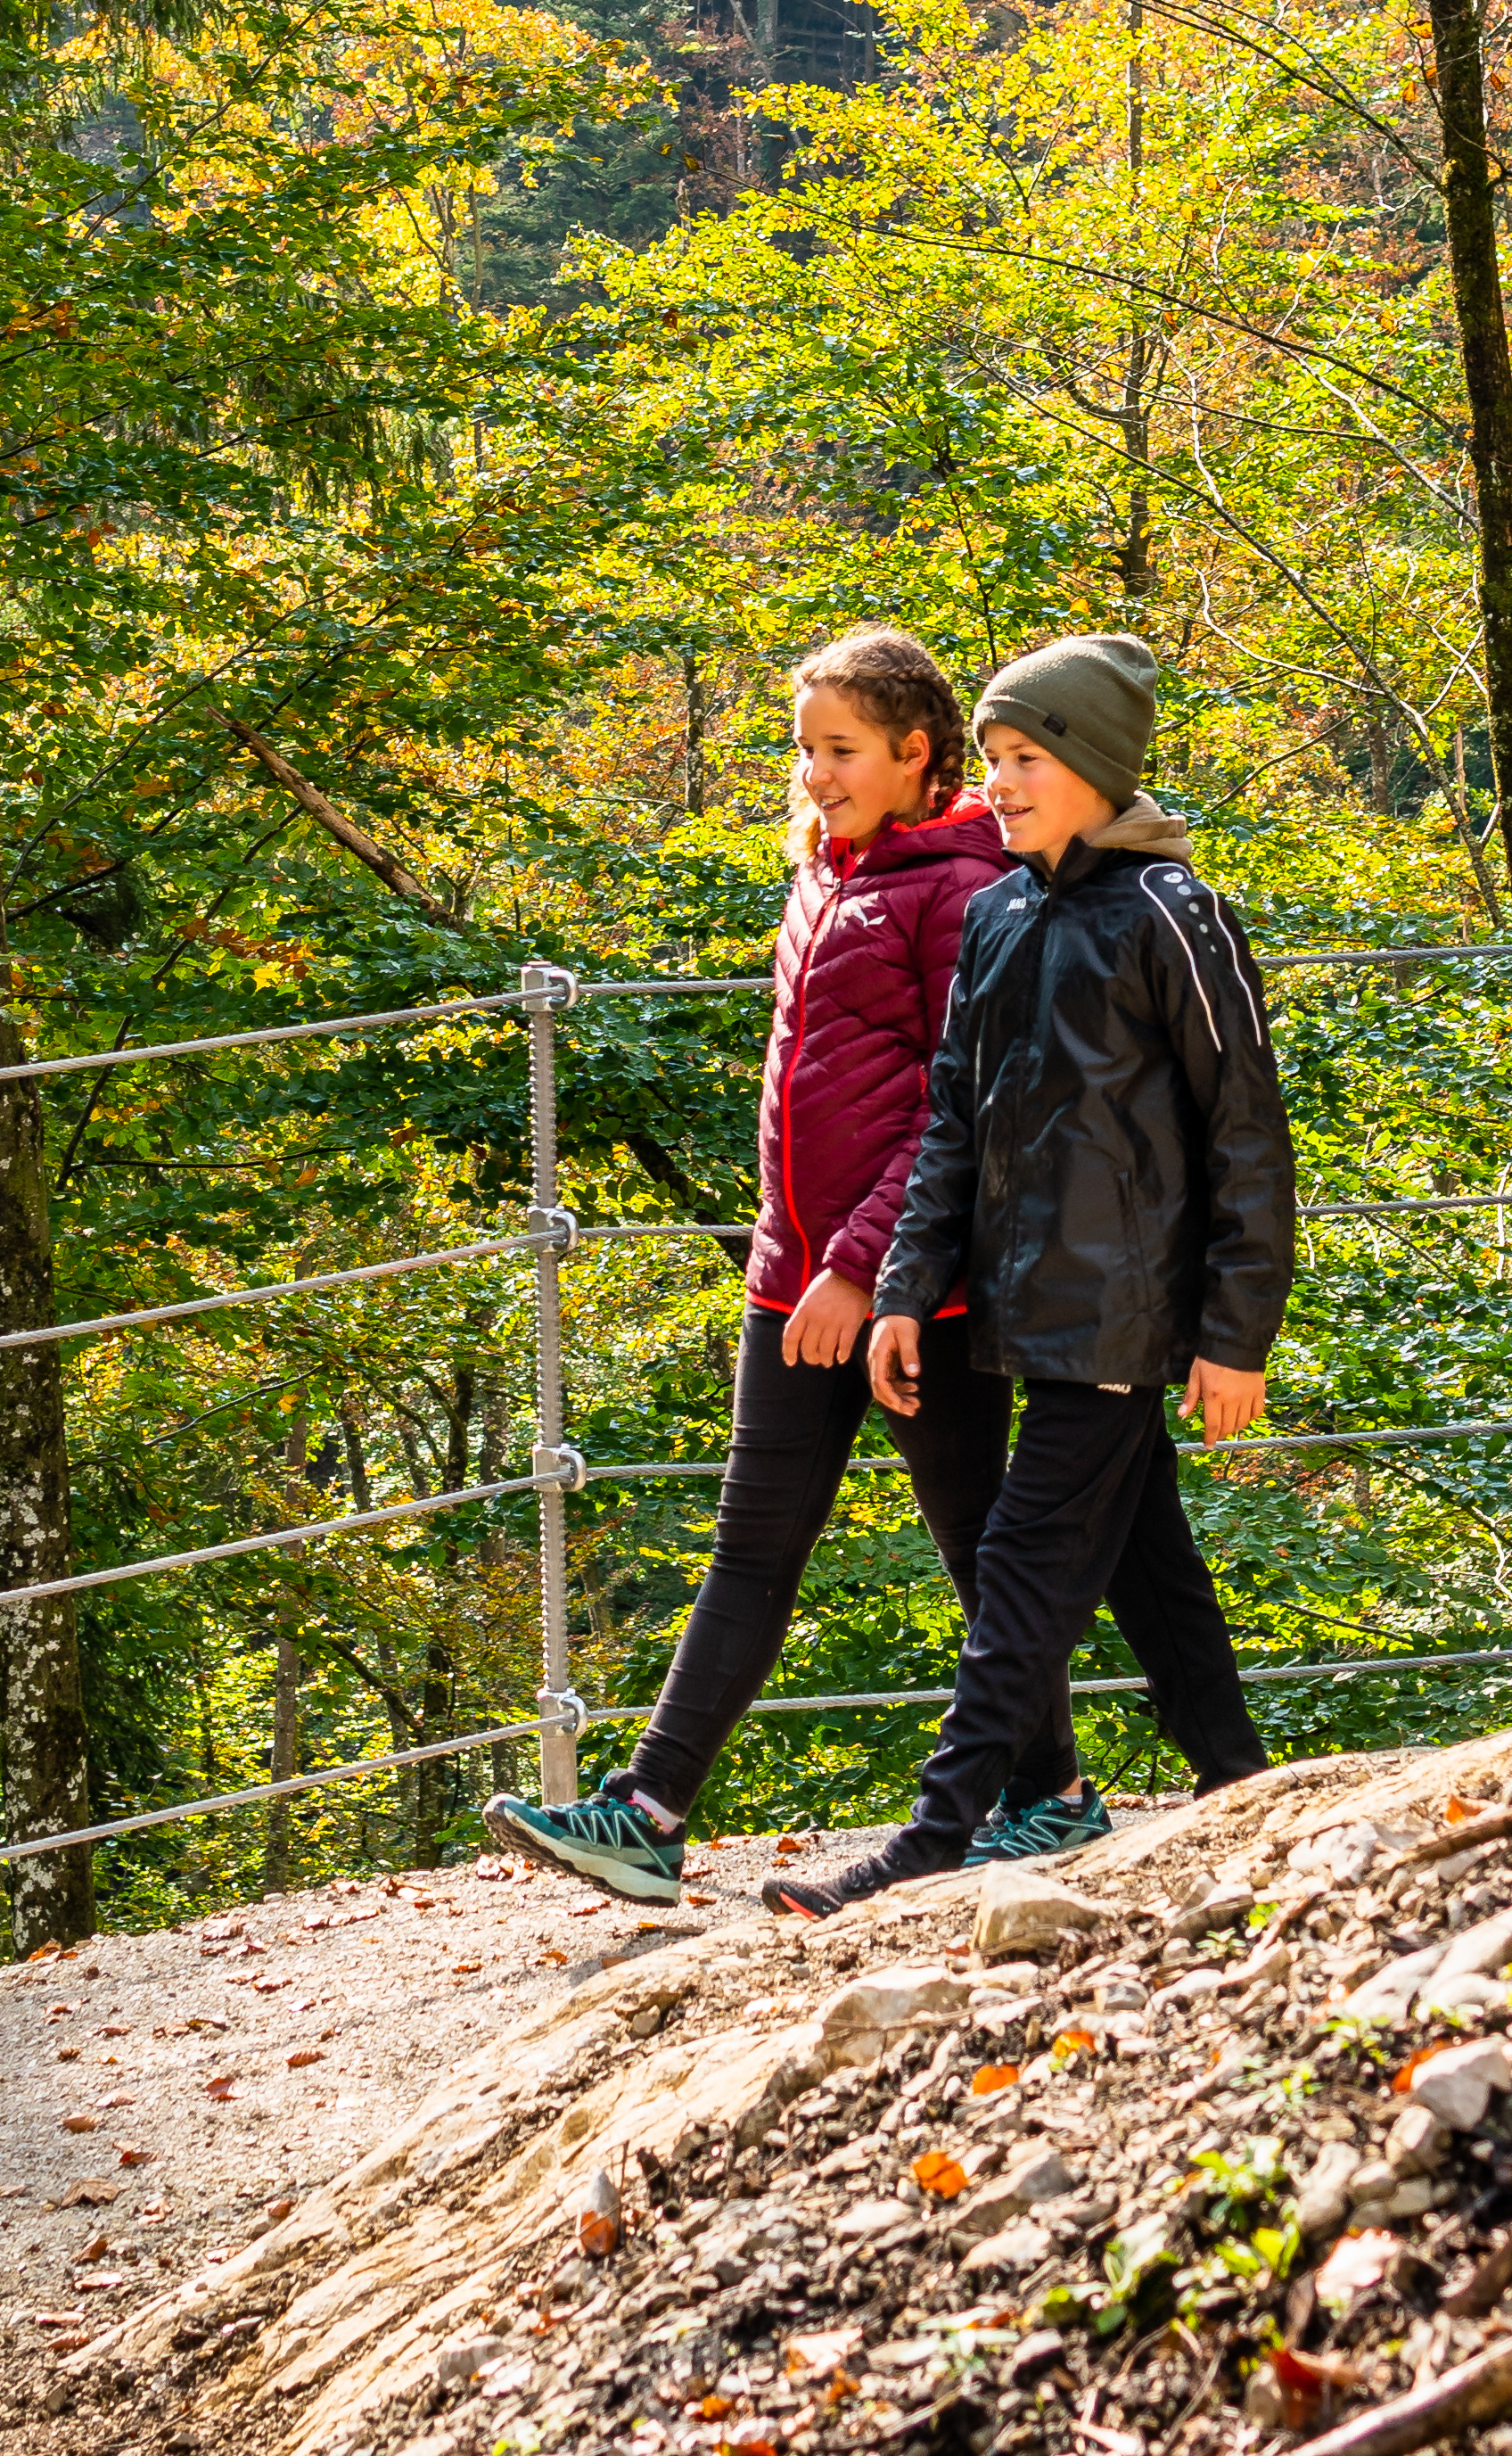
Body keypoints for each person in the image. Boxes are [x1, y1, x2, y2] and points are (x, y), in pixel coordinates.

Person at [481, 630, 1255, 1907]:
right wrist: (800, 1254)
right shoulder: (828, 875)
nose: (815, 773)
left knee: (985, 1549)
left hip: (919, 1286)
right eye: (804, 749)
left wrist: (868, 1268)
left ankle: (1052, 1795)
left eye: (840, 751)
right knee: (754, 1542)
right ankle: (651, 1808)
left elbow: (958, 1116)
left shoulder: (970, 890)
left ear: (914, 753)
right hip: (797, 1275)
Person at [767, 631, 1285, 1920]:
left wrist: (1236, 1333)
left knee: (1019, 1568)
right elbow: (950, 1124)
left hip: (1123, 1319)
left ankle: (934, 1838)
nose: (999, 782)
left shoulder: (1177, 915)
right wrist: (900, 1290)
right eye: (993, 759)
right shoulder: (997, 915)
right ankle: (1240, 1783)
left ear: (1099, 767)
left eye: (1027, 758)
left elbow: (1245, 1135)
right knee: (1146, 1564)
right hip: (1012, 1308)